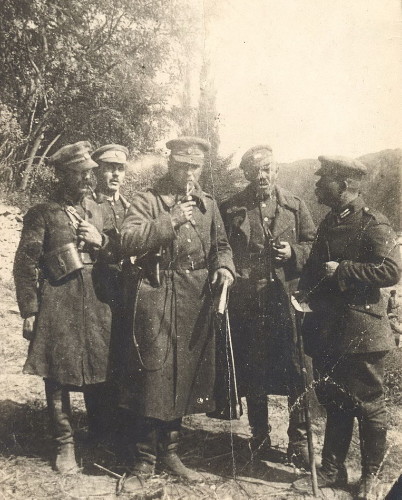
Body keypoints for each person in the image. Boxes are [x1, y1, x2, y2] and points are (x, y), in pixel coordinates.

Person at [119, 136, 235, 490]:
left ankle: (170, 453)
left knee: (183, 377)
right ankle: (142, 462)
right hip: (156, 295)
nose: (190, 173)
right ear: (170, 164)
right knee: (152, 376)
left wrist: (225, 267)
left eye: (196, 166)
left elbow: (221, 245)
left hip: (195, 299)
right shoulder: (149, 199)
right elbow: (127, 239)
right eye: (184, 166)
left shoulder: (208, 204)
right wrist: (169, 220)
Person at [293, 156, 401, 498]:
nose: (317, 184)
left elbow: (391, 272)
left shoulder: (375, 225)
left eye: (324, 179)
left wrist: (343, 270)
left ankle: (371, 476)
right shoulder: (329, 220)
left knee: (369, 405)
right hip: (328, 329)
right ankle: (332, 469)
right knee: (336, 400)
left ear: (345, 186)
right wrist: (300, 294)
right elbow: (314, 267)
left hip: (361, 331)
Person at [13, 141, 117, 474]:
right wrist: (30, 310)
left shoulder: (99, 209)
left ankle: (100, 442)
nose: (89, 179)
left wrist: (101, 241)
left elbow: (118, 256)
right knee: (58, 375)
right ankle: (64, 445)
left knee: (99, 371)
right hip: (59, 301)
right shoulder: (43, 212)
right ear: (62, 175)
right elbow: (26, 262)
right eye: (80, 174)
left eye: (90, 173)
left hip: (98, 300)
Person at [220, 145, 316, 468]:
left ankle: (299, 439)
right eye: (255, 170)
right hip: (249, 304)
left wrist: (294, 254)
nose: (262, 175)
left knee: (297, 369)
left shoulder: (295, 206)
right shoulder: (231, 209)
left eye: (267, 169)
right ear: (246, 174)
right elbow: (221, 249)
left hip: (286, 303)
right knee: (254, 370)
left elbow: (313, 246)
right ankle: (259, 436)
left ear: (276, 171)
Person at [78, 143, 131, 445]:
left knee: (123, 358)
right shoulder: (87, 206)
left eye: (120, 168)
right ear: (97, 172)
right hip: (98, 292)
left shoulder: (128, 206)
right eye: (109, 168)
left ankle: (121, 427)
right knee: (99, 358)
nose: (114, 174)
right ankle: (100, 430)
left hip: (126, 292)